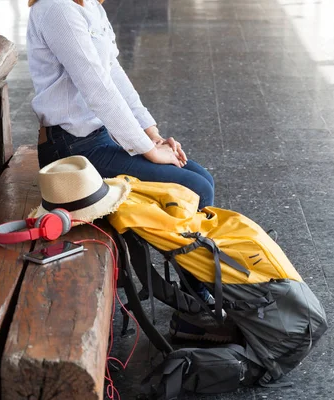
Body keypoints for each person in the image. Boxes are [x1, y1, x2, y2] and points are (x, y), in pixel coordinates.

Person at [26, 0, 224, 337]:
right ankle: (201, 303)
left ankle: (201, 294)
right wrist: (146, 150)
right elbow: (96, 87)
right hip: (72, 150)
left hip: (97, 138)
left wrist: (154, 136)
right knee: (194, 189)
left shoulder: (88, 5)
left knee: (201, 178)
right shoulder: (56, 7)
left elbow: (113, 73)